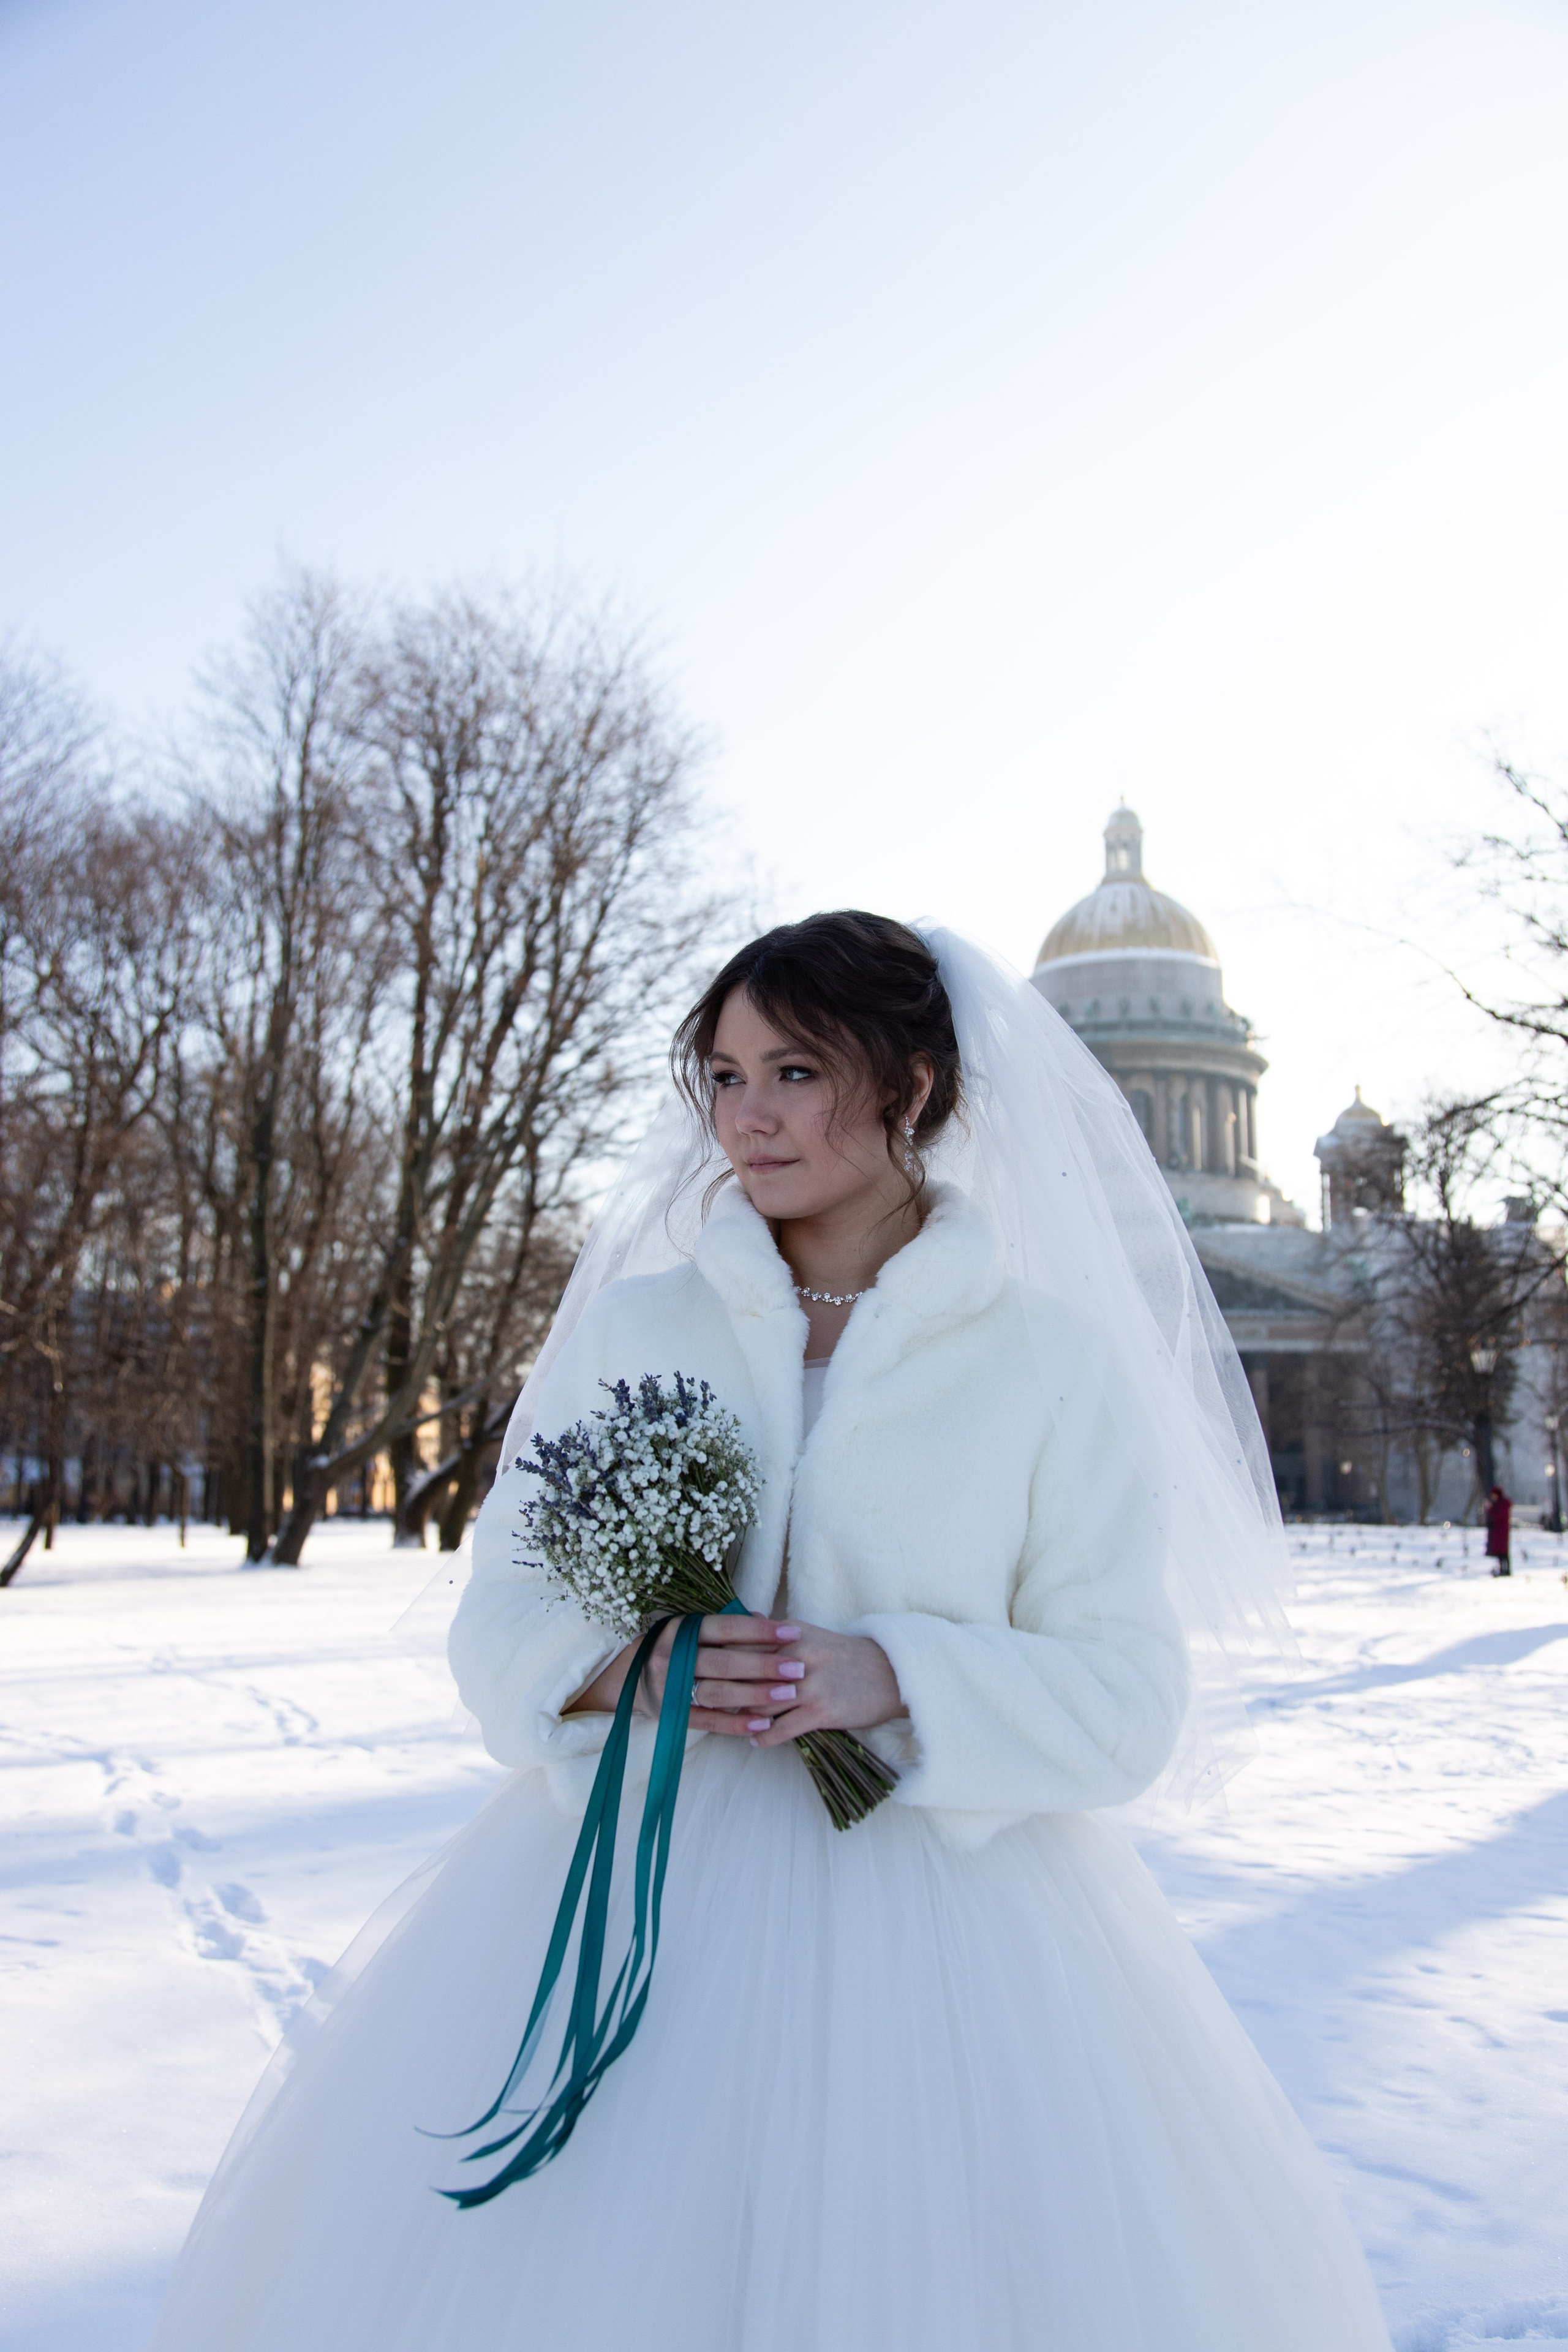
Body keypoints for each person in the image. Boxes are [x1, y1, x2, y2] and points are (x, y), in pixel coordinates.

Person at [147, 914, 1395, 2352]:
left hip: (952, 1939)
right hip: (635, 1891)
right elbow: (498, 1615)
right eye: (724, 1074)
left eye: (794, 1069)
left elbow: (1128, 1699)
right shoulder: (631, 1331)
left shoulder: (1048, 1361)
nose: (746, 1114)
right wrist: (617, 1665)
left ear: (912, 1086)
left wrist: (901, 1676)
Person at [1487, 1483, 1512, 1575]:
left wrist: (1490, 1509)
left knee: (1503, 1552)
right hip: (1499, 1531)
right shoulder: (1500, 1504)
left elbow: (1497, 1516)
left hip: (1502, 1531)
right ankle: (1503, 1570)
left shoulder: (1503, 1504)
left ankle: (1506, 1570)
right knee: (1501, 1553)